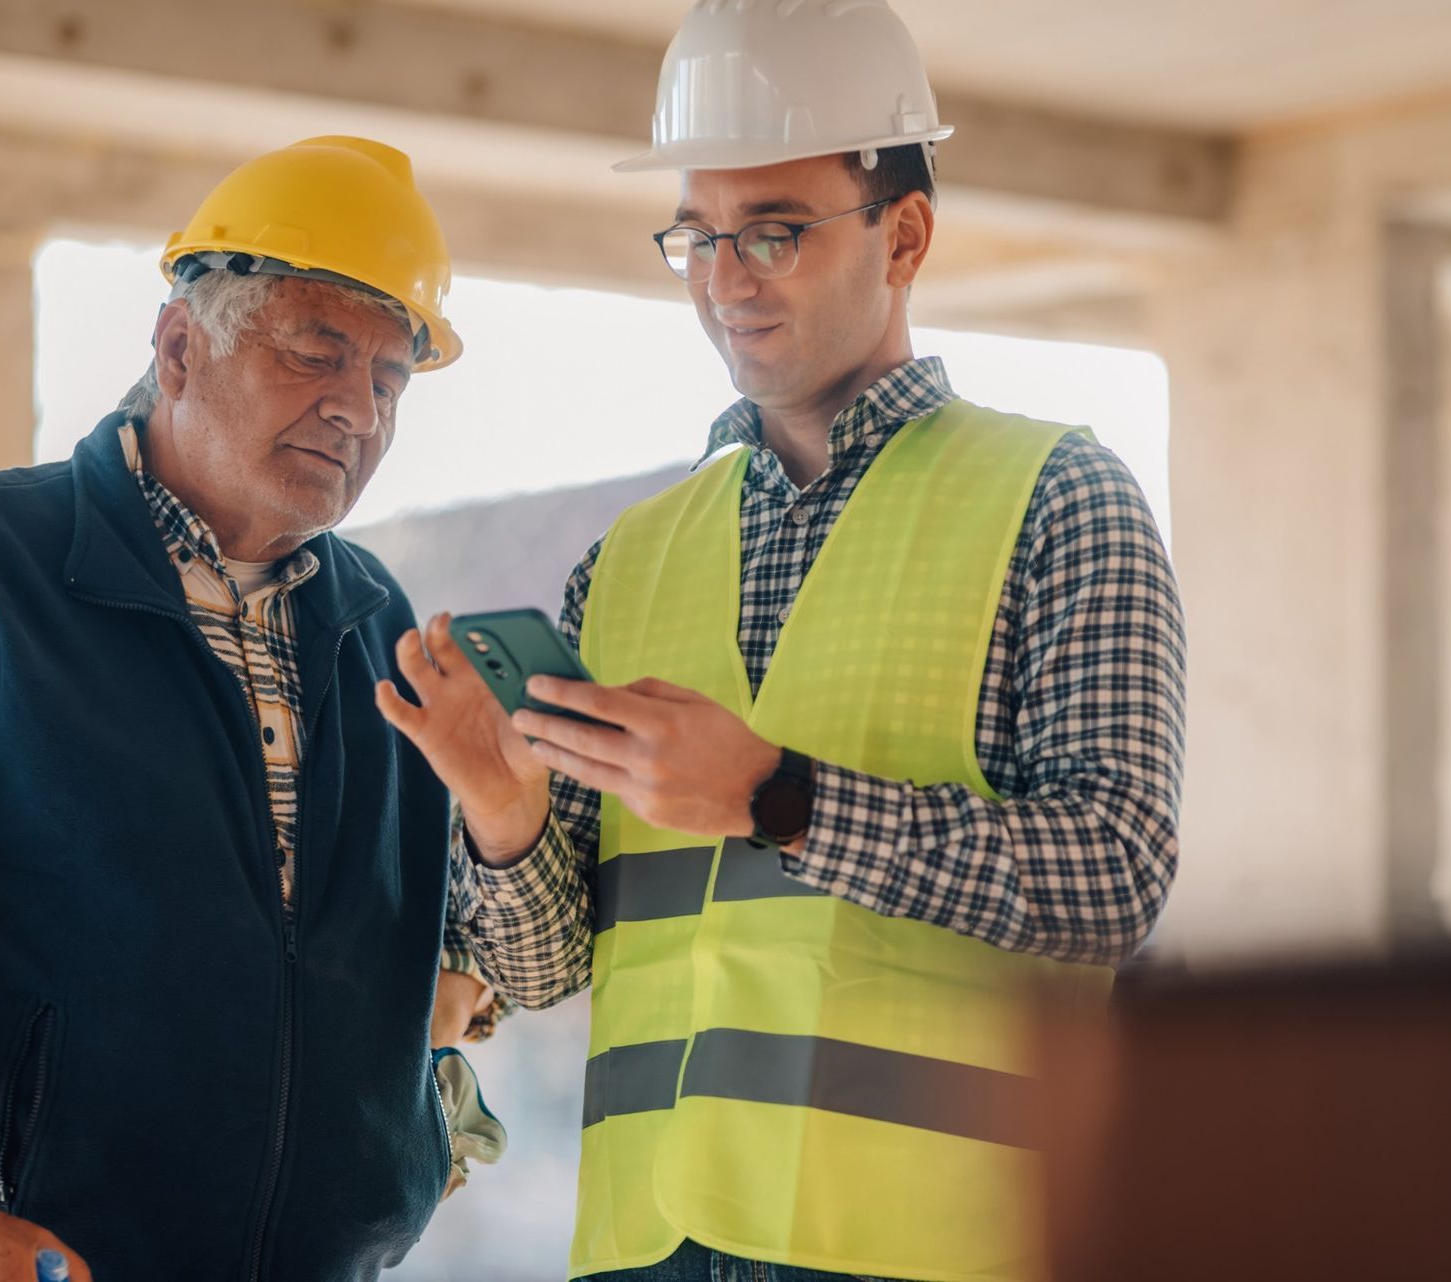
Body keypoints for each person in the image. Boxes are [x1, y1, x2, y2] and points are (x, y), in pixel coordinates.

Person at [379, 3, 1188, 1279]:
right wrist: (503, 811)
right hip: (654, 1238)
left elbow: (1111, 878)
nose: (722, 278)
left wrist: (781, 797)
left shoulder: (1060, 501)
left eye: (772, 232)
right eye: (695, 236)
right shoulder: (631, 557)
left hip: (934, 1240)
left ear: (904, 232)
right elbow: (539, 972)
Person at [0, 135, 500, 1281]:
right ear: (177, 346)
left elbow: (449, 961)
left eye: (388, 380)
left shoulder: (378, 625)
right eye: (318, 354)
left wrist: (400, 1145)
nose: (356, 410)